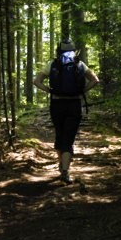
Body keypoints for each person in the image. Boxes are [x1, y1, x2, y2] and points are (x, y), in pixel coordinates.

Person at [33, 38, 99, 184]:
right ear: (73, 50)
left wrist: (48, 90)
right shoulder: (80, 64)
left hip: (57, 104)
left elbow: (36, 81)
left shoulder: (52, 64)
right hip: (74, 104)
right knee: (69, 139)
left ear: (59, 51)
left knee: (60, 134)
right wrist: (82, 91)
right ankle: (65, 170)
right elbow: (95, 80)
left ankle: (61, 166)